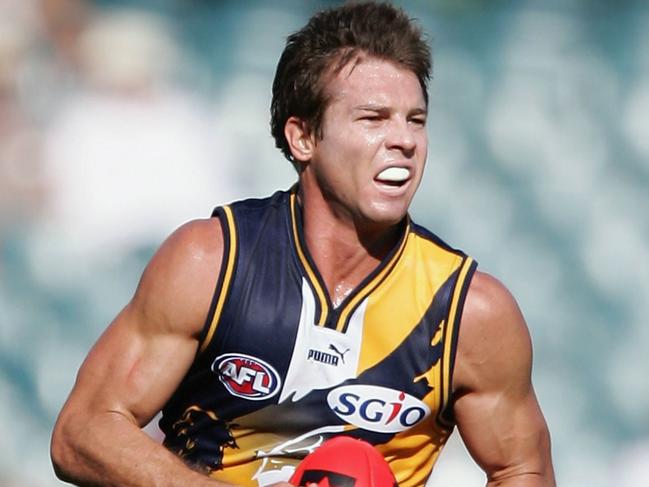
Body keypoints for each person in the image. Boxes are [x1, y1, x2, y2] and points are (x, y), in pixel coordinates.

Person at [51, 2, 556, 486]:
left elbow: (522, 470)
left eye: (415, 120)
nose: (404, 139)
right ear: (303, 138)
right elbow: (83, 430)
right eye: (373, 118)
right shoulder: (212, 263)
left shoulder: (468, 313)